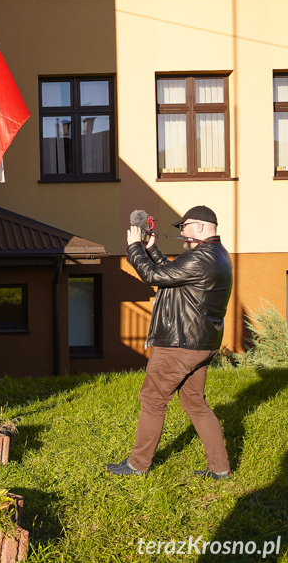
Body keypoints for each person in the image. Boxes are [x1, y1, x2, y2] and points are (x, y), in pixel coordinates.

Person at [108, 205, 233, 480]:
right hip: (201, 343)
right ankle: (220, 468)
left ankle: (137, 464)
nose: (182, 232)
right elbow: (173, 274)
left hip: (179, 345)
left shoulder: (199, 258)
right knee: (195, 403)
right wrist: (151, 249)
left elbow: (155, 277)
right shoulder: (218, 255)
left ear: (199, 226)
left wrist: (134, 248)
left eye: (184, 227)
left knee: (152, 400)